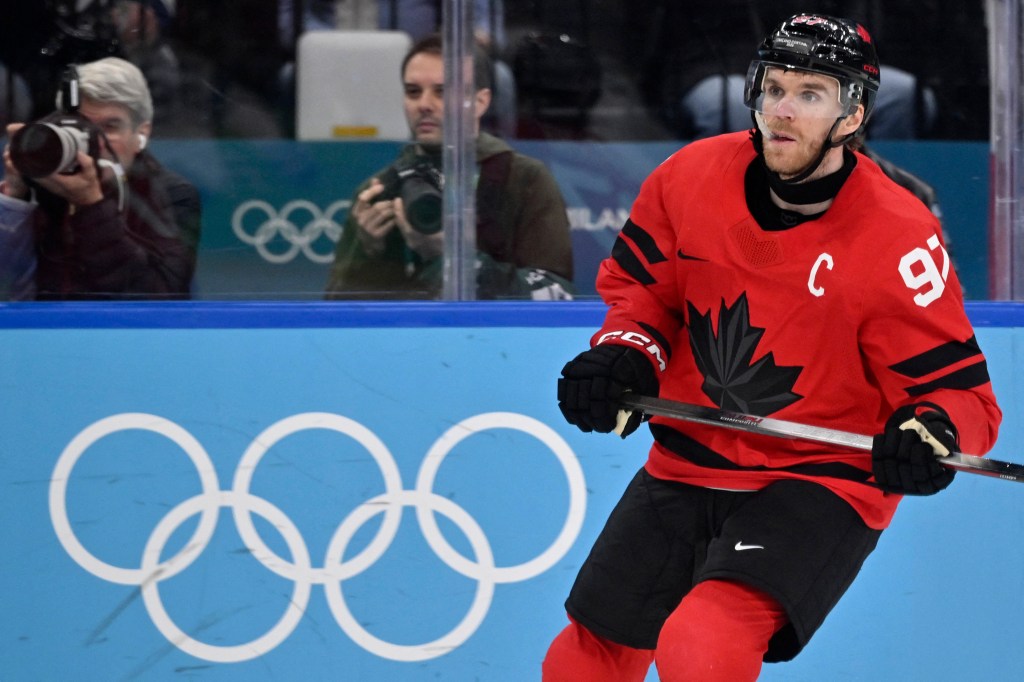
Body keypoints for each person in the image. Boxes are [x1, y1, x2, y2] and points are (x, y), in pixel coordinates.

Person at [543, 13, 1000, 681]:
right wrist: (627, 351)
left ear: (852, 116)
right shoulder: (687, 178)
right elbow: (643, 297)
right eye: (774, 88)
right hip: (687, 461)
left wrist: (931, 428)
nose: (782, 110)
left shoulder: (898, 234)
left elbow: (961, 395)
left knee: (702, 643)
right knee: (585, 658)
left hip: (820, 477)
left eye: (810, 94)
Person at [324, 34, 573, 300]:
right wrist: (370, 252)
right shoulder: (380, 191)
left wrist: (453, 258)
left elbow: (558, 295)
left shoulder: (524, 180)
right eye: (413, 92)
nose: (424, 105)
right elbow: (338, 312)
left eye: (442, 92)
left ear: (480, 102)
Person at [0, 56, 201, 300]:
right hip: (43, 322)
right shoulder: (45, 181)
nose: (96, 141)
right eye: (81, 126)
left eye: (110, 127)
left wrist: (91, 203)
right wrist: (14, 198)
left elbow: (161, 295)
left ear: (141, 133)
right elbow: (7, 279)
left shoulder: (169, 193)